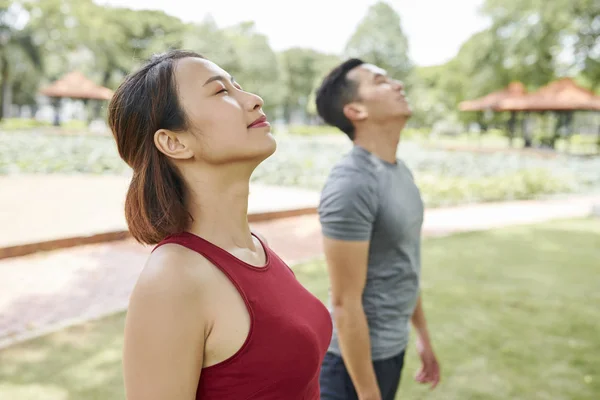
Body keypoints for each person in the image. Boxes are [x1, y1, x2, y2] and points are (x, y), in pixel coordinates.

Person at [107, 49, 333, 400]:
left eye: (238, 86)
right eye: (221, 91)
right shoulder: (172, 280)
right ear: (174, 142)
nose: (254, 100)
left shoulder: (255, 248)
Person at [314, 59, 441, 400]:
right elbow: (344, 303)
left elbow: (404, 262)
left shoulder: (400, 172)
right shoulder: (352, 184)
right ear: (355, 109)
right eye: (381, 81)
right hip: (350, 368)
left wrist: (423, 336)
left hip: (390, 349)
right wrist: (369, 395)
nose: (398, 84)